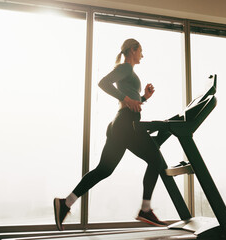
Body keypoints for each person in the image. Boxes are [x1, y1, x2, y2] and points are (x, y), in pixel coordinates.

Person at [53, 38, 167, 231]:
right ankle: (145, 210)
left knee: (104, 169)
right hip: (126, 125)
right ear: (132, 50)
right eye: (141, 51)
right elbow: (103, 83)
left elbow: (131, 100)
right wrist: (126, 98)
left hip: (120, 124)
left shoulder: (128, 72)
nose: (142, 55)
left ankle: (66, 203)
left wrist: (143, 98)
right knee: (156, 160)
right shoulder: (126, 69)